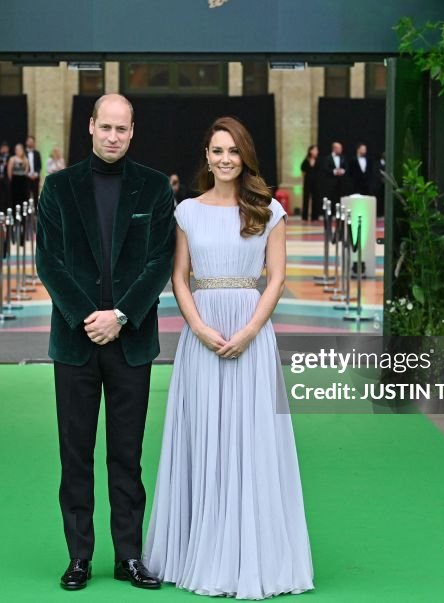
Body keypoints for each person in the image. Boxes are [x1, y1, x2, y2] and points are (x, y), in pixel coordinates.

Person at [144, 116, 314, 599]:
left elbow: (276, 278)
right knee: (203, 437)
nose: (224, 159)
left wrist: (250, 330)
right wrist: (197, 327)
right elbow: (179, 276)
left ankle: (251, 555)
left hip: (250, 333)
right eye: (217, 151)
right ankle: (197, 547)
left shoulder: (268, 211)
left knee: (249, 437)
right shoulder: (188, 212)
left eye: (233, 152)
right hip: (201, 337)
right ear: (207, 157)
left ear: (245, 157)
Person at [36, 94, 175, 592]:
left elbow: (160, 261)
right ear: (90, 127)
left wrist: (119, 316)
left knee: (127, 455)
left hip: (131, 342)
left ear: (133, 132)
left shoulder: (156, 188)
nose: (113, 136)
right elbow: (49, 262)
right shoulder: (58, 187)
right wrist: (87, 318)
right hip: (75, 344)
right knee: (74, 454)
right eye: (105, 127)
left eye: (122, 129)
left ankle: (129, 557)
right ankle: (79, 557)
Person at [320, 140, 347, 205]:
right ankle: (328, 214)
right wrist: (335, 172)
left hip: (340, 182)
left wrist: (342, 171)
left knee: (339, 199)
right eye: (339, 148)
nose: (341, 149)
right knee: (329, 198)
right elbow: (325, 169)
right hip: (330, 182)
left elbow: (346, 167)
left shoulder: (343, 158)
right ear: (334, 148)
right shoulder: (327, 158)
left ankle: (338, 214)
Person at [299, 144, 321, 221]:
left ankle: (315, 216)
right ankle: (304, 216)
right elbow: (302, 168)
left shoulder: (318, 160)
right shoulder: (306, 160)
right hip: (307, 182)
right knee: (306, 198)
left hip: (316, 182)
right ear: (310, 151)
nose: (317, 152)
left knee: (315, 198)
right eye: (315, 150)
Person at [7, 143, 30, 212]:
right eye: (17, 149)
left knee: (23, 197)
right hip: (15, 180)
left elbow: (26, 170)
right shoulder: (12, 159)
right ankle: (14, 213)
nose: (18, 151)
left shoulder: (25, 159)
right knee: (15, 197)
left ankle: (23, 215)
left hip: (23, 180)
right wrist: (11, 180)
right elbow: (9, 171)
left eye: (19, 149)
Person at [26, 135, 43, 208]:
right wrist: (28, 174)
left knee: (36, 195)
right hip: (26, 177)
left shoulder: (37, 153)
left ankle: (37, 212)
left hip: (35, 177)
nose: (30, 143)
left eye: (32, 142)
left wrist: (35, 174)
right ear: (26, 142)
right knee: (26, 195)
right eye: (29, 141)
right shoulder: (23, 153)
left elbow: (39, 165)